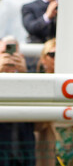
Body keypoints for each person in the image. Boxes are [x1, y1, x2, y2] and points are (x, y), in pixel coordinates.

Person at [0, 36, 36, 166]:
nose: (9, 56)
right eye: (4, 53)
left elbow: (39, 116)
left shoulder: (31, 77)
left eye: (13, 52)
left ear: (21, 56)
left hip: (24, 153)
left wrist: (24, 74)